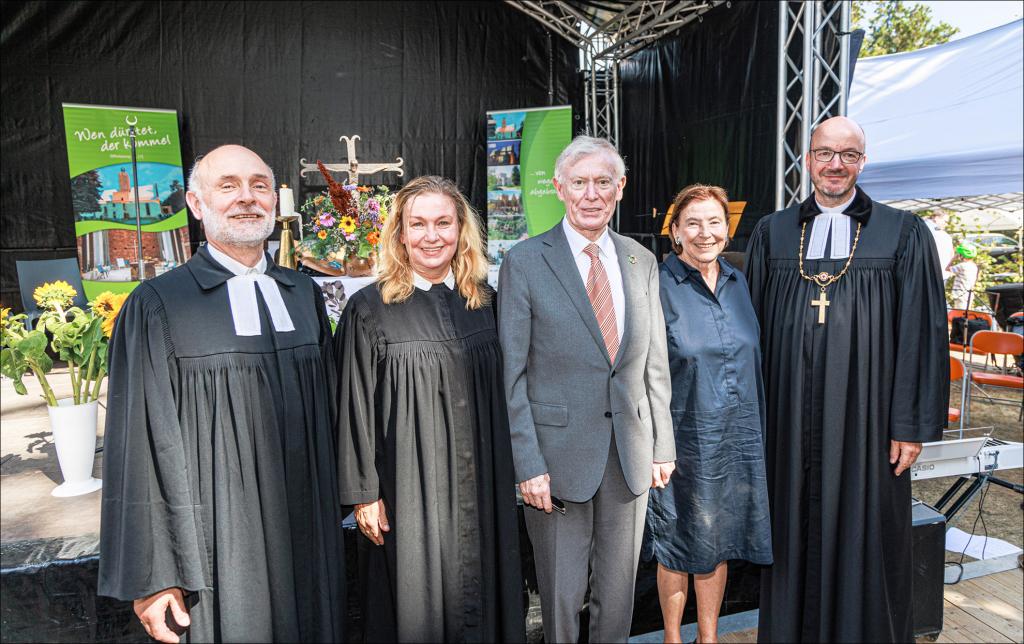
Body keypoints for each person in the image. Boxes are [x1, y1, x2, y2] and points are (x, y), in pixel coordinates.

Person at [98, 144, 345, 643]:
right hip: (219, 542)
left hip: (308, 533)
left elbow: (335, 412)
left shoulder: (303, 294)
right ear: (196, 204)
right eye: (228, 185)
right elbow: (139, 445)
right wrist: (153, 574)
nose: (247, 198)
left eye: (259, 186)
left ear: (275, 203)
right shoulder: (158, 306)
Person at [746, 116, 948, 642]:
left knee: (868, 533)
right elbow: (753, 332)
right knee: (792, 529)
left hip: (868, 422)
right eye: (825, 153)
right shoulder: (773, 231)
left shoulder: (903, 232)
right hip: (790, 421)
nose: (836, 164)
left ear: (863, 160)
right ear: (807, 158)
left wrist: (909, 424)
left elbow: (922, 332)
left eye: (848, 154)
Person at [498, 135, 675, 643]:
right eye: (579, 183)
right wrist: (527, 463)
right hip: (554, 464)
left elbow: (654, 366)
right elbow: (512, 374)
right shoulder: (526, 261)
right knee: (561, 596)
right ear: (559, 188)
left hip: (630, 457)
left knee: (617, 598)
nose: (591, 194)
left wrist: (663, 444)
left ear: (621, 188)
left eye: (603, 182)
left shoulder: (642, 260)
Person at [333, 175, 524, 642]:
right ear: (399, 233)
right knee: (415, 599)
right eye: (418, 224)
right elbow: (352, 403)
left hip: (484, 480)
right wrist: (363, 492)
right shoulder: (369, 309)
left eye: (443, 223)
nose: (431, 236)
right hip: (409, 487)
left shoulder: (485, 302)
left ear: (461, 230)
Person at [644, 184, 772, 644]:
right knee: (680, 546)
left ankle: (709, 638)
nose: (705, 233)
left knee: (719, 543)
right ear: (674, 231)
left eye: (714, 222)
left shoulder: (742, 284)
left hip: (737, 438)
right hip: (681, 441)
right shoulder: (656, 286)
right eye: (692, 223)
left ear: (727, 228)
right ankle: (674, 638)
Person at [923, 210, 955, 281]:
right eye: (945, 221)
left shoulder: (943, 235)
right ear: (937, 218)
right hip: (935, 273)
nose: (946, 224)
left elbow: (951, 253)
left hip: (939, 273)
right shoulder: (928, 229)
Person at [950, 241, 980, 311]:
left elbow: (947, 268)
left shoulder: (962, 266)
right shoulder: (974, 266)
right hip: (968, 295)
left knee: (959, 317)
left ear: (963, 255)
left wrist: (953, 258)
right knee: (965, 315)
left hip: (960, 295)